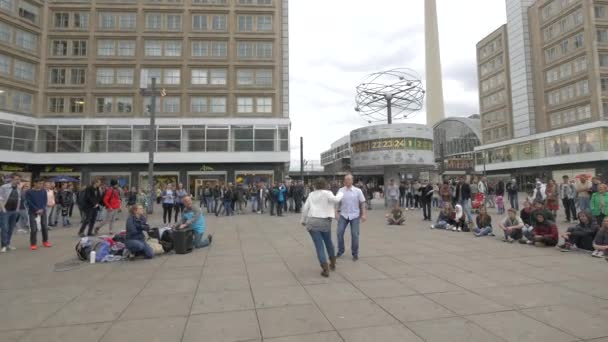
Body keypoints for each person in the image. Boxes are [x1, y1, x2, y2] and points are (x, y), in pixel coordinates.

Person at [301, 177, 343, 277]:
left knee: (319, 246)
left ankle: (325, 268)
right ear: (325, 184)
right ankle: (332, 263)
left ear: (315, 185)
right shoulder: (327, 193)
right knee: (328, 242)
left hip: (312, 221)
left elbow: (305, 208)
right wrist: (341, 192)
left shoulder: (311, 194)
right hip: (325, 221)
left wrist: (303, 220)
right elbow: (336, 200)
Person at [336, 174, 367, 261]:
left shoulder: (358, 191)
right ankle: (341, 250)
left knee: (355, 234)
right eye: (346, 180)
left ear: (352, 181)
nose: (347, 181)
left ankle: (355, 253)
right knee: (339, 232)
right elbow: (337, 202)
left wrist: (364, 214)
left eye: (349, 179)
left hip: (355, 215)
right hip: (343, 215)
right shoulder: (340, 190)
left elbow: (362, 203)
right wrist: (336, 212)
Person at [25, 179, 51, 250]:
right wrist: (36, 209)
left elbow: (45, 201)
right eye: (39, 183)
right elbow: (29, 202)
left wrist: (42, 209)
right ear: (34, 183)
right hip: (33, 212)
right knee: (33, 228)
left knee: (44, 226)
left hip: (43, 211)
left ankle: (45, 241)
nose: (41, 185)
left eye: (42, 184)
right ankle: (33, 243)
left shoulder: (43, 191)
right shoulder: (28, 192)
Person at [0, 173, 21, 253]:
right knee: (5, 228)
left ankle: (8, 244)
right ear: (12, 179)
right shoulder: (4, 187)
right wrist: (3, 208)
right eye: (16, 179)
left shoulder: (18, 188)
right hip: (5, 211)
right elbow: (0, 198)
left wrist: (17, 209)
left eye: (19, 179)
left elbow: (19, 199)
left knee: (11, 228)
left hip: (14, 211)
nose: (18, 181)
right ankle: (4, 245)